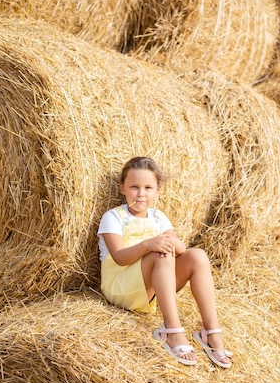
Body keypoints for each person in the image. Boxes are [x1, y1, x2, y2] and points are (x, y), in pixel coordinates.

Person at [97, 156, 232, 368]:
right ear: (123, 188)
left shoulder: (159, 218)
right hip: (121, 287)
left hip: (154, 289)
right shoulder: (113, 217)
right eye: (134, 187)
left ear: (157, 190)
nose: (141, 194)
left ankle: (210, 332)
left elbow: (182, 249)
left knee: (198, 256)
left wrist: (166, 241)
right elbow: (120, 258)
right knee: (160, 252)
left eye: (148, 187)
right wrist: (150, 244)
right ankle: (171, 330)